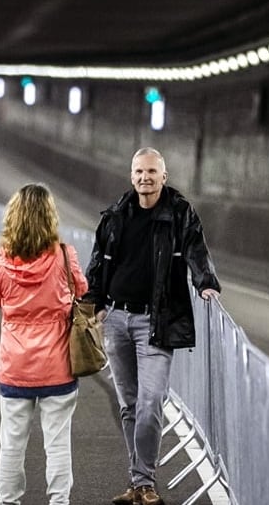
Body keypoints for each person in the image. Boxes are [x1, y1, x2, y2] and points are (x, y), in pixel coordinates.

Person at [81, 147, 221, 505]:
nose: (145, 177)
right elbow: (98, 262)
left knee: (150, 402)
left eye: (152, 172)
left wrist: (205, 281)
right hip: (115, 319)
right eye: (139, 171)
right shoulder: (116, 215)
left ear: (164, 177)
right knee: (129, 404)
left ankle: (143, 481)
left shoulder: (178, 213)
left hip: (155, 321)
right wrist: (92, 301)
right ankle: (141, 484)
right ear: (132, 176)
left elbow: (195, 248)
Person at [0, 183, 87, 505]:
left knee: (12, 444)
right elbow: (81, 290)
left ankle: (8, 501)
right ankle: (59, 502)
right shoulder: (64, 256)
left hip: (15, 366)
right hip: (58, 365)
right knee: (57, 444)